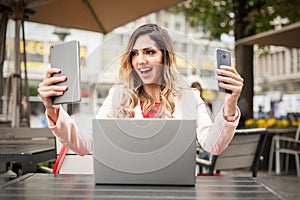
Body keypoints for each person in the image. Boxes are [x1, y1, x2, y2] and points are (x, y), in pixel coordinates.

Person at [37, 24, 244, 156]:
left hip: (176, 191)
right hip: (128, 189)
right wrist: (54, 111)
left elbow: (213, 145)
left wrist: (230, 104)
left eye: (149, 52)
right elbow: (86, 144)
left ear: (165, 57)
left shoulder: (189, 97)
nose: (141, 60)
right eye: (135, 54)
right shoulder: (118, 95)